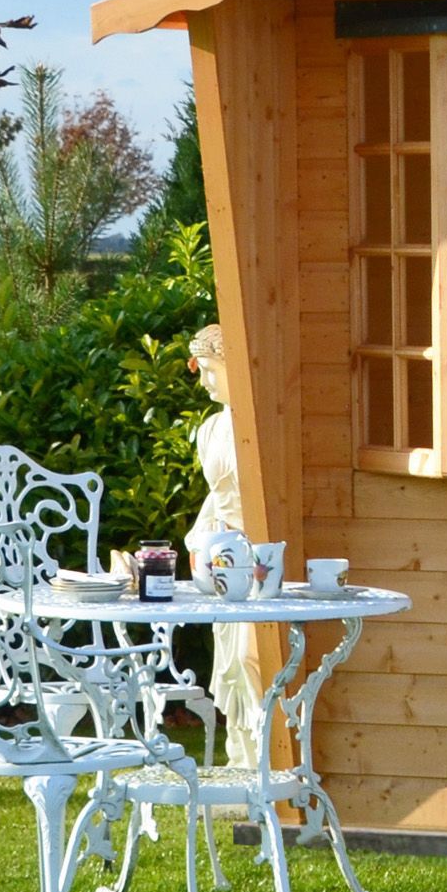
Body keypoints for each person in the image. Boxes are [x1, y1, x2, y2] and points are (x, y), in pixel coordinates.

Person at [187, 324, 263, 769]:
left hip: (252, 551)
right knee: (227, 659)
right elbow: (216, 500)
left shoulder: (254, 430)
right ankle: (238, 756)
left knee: (247, 659)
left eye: (211, 370)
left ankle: (258, 759)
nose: (204, 381)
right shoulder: (211, 429)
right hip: (220, 550)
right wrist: (202, 542)